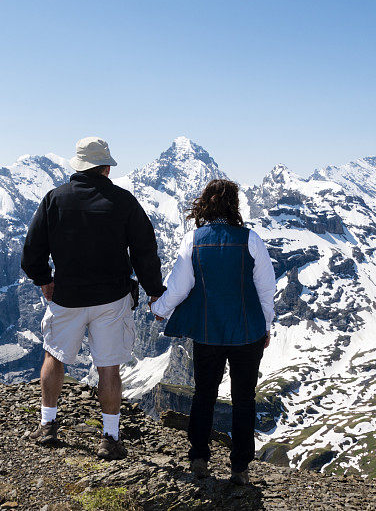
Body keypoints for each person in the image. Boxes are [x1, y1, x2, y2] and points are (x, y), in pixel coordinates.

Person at [21, 136, 165, 460]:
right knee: (108, 367)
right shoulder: (124, 201)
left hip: (66, 296)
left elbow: (31, 251)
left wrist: (43, 279)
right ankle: (110, 438)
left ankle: (47, 426)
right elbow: (145, 251)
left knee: (54, 356)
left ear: (78, 166)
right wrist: (155, 290)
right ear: (105, 168)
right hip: (111, 299)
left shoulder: (54, 199)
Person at [150, 179, 276, 485]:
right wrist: (267, 326)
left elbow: (181, 286)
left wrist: (159, 309)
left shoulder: (193, 240)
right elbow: (266, 289)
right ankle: (240, 468)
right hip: (248, 332)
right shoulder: (251, 240)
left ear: (205, 204)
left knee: (204, 394)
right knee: (244, 397)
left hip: (208, 333)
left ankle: (199, 458)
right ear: (234, 205)